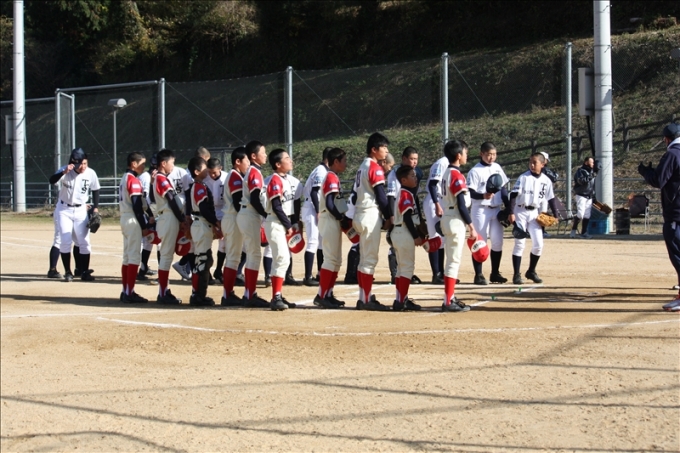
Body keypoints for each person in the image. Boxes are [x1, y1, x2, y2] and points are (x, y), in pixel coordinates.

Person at [638, 122, 680, 312]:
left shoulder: (673, 154)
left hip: (676, 212)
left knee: (677, 253)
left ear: (666, 139)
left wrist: (645, 171)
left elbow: (658, 180)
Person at [352, 132, 393, 311]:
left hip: (360, 213)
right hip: (369, 214)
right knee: (369, 260)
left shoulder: (363, 165)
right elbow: (381, 196)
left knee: (364, 260)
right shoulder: (375, 167)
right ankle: (366, 299)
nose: (386, 151)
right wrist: (389, 215)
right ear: (374, 150)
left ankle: (364, 297)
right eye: (384, 147)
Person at [48, 148, 100, 282]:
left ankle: (84, 272)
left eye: (85, 163)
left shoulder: (90, 173)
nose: (83, 167)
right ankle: (68, 272)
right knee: (65, 241)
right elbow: (52, 180)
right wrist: (63, 172)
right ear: (73, 163)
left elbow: (95, 190)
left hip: (81, 209)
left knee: (84, 242)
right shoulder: (66, 170)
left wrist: (95, 208)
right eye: (80, 164)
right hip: (64, 210)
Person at [508, 152, 559, 285]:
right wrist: (511, 212)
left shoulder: (546, 180)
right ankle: (516, 275)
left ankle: (531, 271)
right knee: (520, 243)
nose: (531, 165)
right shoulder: (524, 177)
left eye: (534, 162)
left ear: (542, 164)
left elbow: (551, 198)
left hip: (534, 213)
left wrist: (556, 215)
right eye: (530, 162)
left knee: (538, 245)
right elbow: (513, 195)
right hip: (520, 211)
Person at [466, 142, 510, 285]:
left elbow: (503, 188)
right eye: (489, 154)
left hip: (495, 209)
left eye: (494, 154)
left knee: (497, 242)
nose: (492, 157)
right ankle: (478, 274)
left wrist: (508, 207)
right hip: (480, 209)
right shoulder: (475, 171)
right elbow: (470, 192)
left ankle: (495, 273)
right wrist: (482, 196)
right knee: (480, 242)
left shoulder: (497, 167)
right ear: (481, 154)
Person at [440, 140, 477, 312]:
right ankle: (448, 300)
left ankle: (450, 297)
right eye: (465, 153)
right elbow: (462, 205)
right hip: (455, 217)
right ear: (458, 155)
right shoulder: (456, 175)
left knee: (451, 259)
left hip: (448, 216)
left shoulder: (446, 172)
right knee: (453, 261)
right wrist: (471, 226)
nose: (466, 156)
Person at [262, 149, 299, 310]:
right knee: (281, 258)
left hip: (281, 222)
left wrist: (292, 222)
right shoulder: (275, 180)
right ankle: (276, 297)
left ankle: (278, 294)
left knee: (284, 258)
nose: (290, 160)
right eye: (286, 158)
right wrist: (288, 225)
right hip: (275, 222)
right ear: (278, 164)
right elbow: (276, 206)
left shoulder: (285, 180)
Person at [236, 140, 270, 307]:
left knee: (253, 253)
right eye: (263, 152)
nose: (265, 155)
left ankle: (250, 293)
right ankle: (249, 295)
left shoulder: (253, 171)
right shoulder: (254, 172)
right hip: (249, 214)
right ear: (254, 156)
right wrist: (266, 215)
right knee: (254, 254)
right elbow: (255, 199)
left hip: (248, 214)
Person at [186, 156, 223, 306]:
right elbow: (203, 208)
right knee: (202, 260)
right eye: (204, 168)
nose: (207, 170)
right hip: (201, 223)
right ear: (196, 171)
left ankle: (199, 294)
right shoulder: (199, 186)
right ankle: (198, 295)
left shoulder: (199, 185)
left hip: (201, 223)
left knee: (203, 259)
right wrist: (215, 221)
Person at [315, 147, 348, 309]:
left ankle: (328, 293)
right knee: (330, 259)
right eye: (344, 160)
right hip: (329, 218)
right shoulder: (330, 177)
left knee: (336, 260)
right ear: (335, 161)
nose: (346, 163)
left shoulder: (333, 176)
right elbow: (329, 203)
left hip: (331, 218)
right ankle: (322, 295)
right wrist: (341, 217)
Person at [119, 152, 153, 303]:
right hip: (132, 219)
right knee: (133, 257)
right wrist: (144, 225)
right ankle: (129, 292)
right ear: (134, 164)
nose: (144, 166)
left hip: (124, 217)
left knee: (127, 257)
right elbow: (137, 205)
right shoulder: (133, 180)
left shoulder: (124, 177)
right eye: (142, 163)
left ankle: (125, 290)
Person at [153, 149, 186, 305]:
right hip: (168, 217)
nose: (173, 165)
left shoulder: (161, 178)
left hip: (167, 217)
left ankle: (164, 291)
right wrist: (181, 219)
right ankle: (163, 292)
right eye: (172, 162)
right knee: (166, 256)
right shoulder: (160, 178)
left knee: (167, 255)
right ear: (163, 163)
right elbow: (171, 199)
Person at [172, 147, 210, 281]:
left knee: (194, 246)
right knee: (195, 248)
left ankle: (187, 268)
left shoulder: (189, 173)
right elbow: (190, 197)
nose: (207, 167)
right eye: (206, 162)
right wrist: (187, 215)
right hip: (191, 214)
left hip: (188, 213)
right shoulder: (192, 178)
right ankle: (193, 274)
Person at [387, 147, 424, 284]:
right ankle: (400, 288)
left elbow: (415, 200)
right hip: (402, 223)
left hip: (404, 219)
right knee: (405, 267)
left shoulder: (415, 175)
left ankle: (400, 292)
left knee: (404, 267)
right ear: (404, 159)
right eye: (411, 159)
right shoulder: (396, 175)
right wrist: (391, 216)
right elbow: (391, 197)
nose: (414, 162)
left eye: (416, 159)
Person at [390, 165, 425, 311]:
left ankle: (401, 299)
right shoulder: (405, 193)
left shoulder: (404, 193)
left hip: (399, 232)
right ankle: (400, 301)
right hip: (404, 232)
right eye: (412, 176)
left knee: (401, 268)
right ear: (403, 180)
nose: (415, 178)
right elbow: (407, 217)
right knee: (407, 269)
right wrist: (416, 236)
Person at [220, 146, 249, 306]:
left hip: (232, 218)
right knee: (232, 257)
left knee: (234, 257)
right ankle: (227, 294)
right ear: (238, 162)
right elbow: (238, 202)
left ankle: (228, 293)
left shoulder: (235, 175)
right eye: (247, 161)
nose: (248, 164)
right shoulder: (235, 176)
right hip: (233, 218)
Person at [301, 147, 331, 286]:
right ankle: (308, 276)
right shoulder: (321, 171)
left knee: (320, 242)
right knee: (313, 241)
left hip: (315, 207)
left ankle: (320, 273)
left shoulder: (324, 170)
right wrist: (319, 211)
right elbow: (314, 192)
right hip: (311, 208)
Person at [422, 151, 449, 284]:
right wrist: (437, 204)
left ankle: (441, 273)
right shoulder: (442, 163)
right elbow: (433, 184)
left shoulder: (451, 164)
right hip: (434, 201)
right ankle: (436, 274)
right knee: (434, 239)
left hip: (443, 201)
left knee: (442, 240)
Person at [206, 157, 228, 282]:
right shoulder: (205, 179)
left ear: (220, 168)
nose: (212, 175)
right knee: (207, 241)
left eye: (214, 172)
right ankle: (207, 271)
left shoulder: (227, 177)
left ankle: (218, 270)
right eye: (210, 172)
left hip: (224, 211)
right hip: (209, 212)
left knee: (224, 242)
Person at [137, 155, 158, 281]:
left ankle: (143, 268)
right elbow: (144, 197)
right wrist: (150, 214)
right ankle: (141, 268)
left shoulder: (151, 177)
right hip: (146, 212)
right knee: (146, 241)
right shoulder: (146, 176)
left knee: (149, 241)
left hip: (149, 211)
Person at [571, 157, 599, 239]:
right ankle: (573, 230)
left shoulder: (592, 172)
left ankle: (584, 232)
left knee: (587, 215)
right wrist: (591, 176)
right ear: (586, 162)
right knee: (580, 214)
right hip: (581, 194)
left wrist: (593, 196)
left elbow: (592, 186)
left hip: (589, 195)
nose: (593, 164)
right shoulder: (581, 171)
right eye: (591, 162)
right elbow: (581, 181)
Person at [540, 151, 558, 238]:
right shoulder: (546, 170)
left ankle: (540, 231)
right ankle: (542, 231)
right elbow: (554, 178)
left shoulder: (530, 170)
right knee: (542, 214)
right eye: (546, 160)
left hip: (541, 195)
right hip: (543, 195)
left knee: (540, 214)